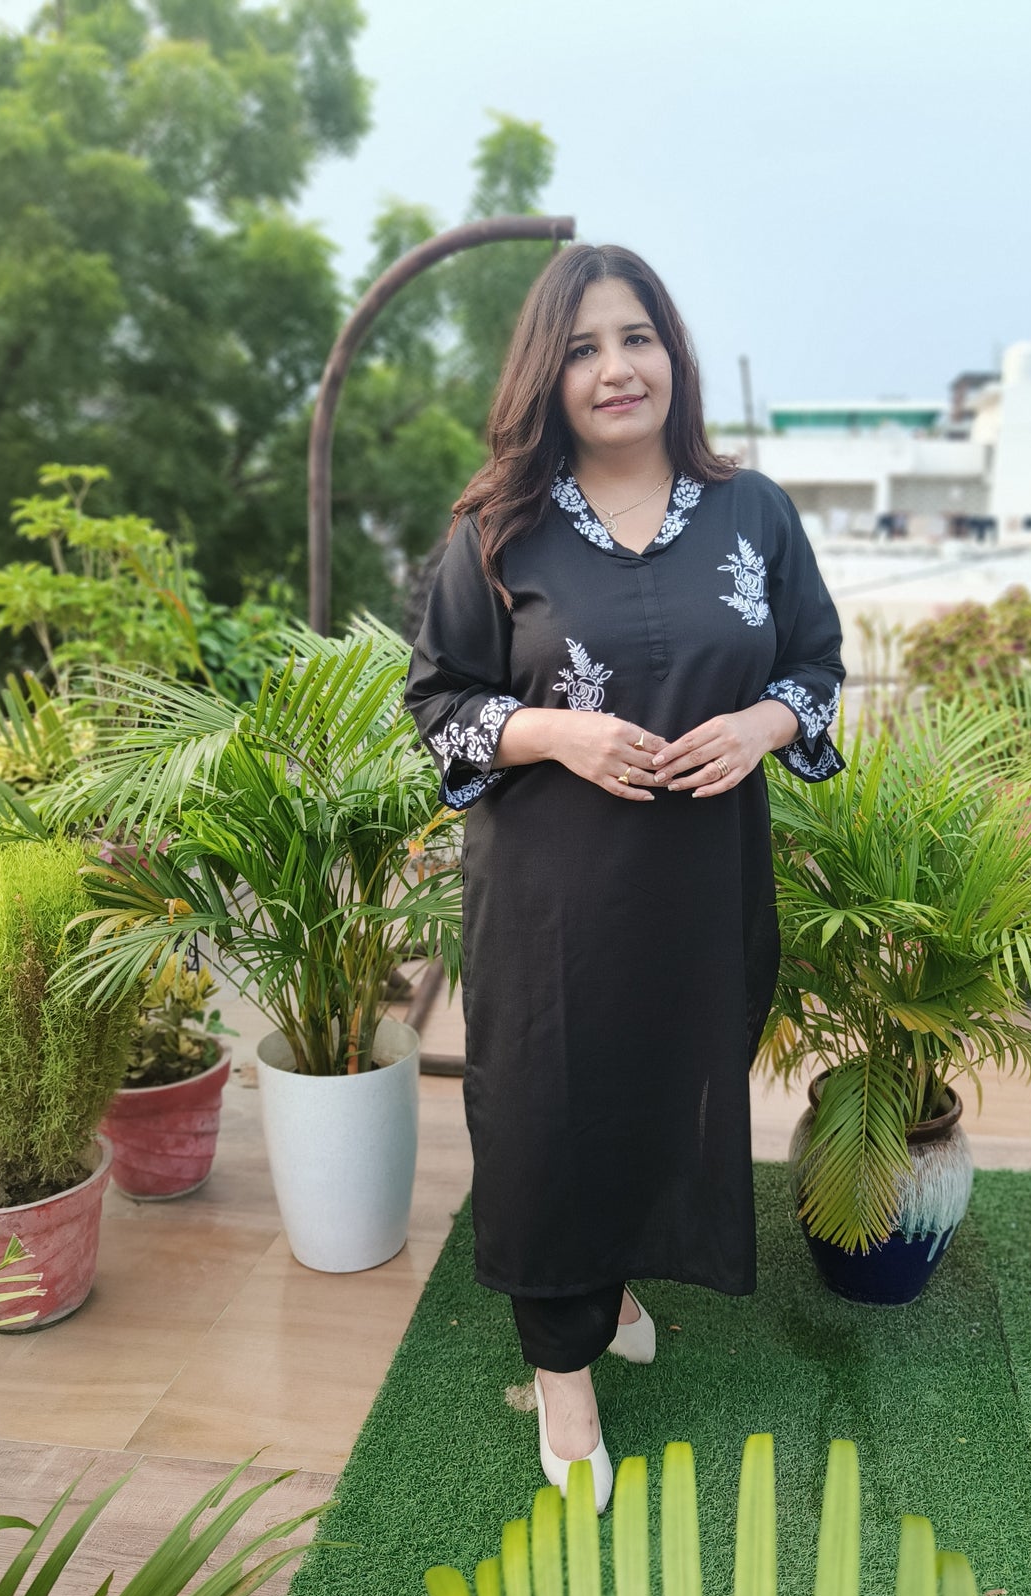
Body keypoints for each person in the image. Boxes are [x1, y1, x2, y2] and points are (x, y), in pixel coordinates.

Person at [404, 244, 845, 1511]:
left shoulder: (755, 512)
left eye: (636, 337)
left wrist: (763, 725)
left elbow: (815, 665)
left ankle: (616, 1285)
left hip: (702, 892)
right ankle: (563, 1370)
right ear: (547, 376)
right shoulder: (500, 528)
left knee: (665, 1096)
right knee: (546, 1112)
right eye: (583, 347)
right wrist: (559, 732)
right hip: (552, 899)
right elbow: (439, 703)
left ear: (673, 355)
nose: (615, 369)